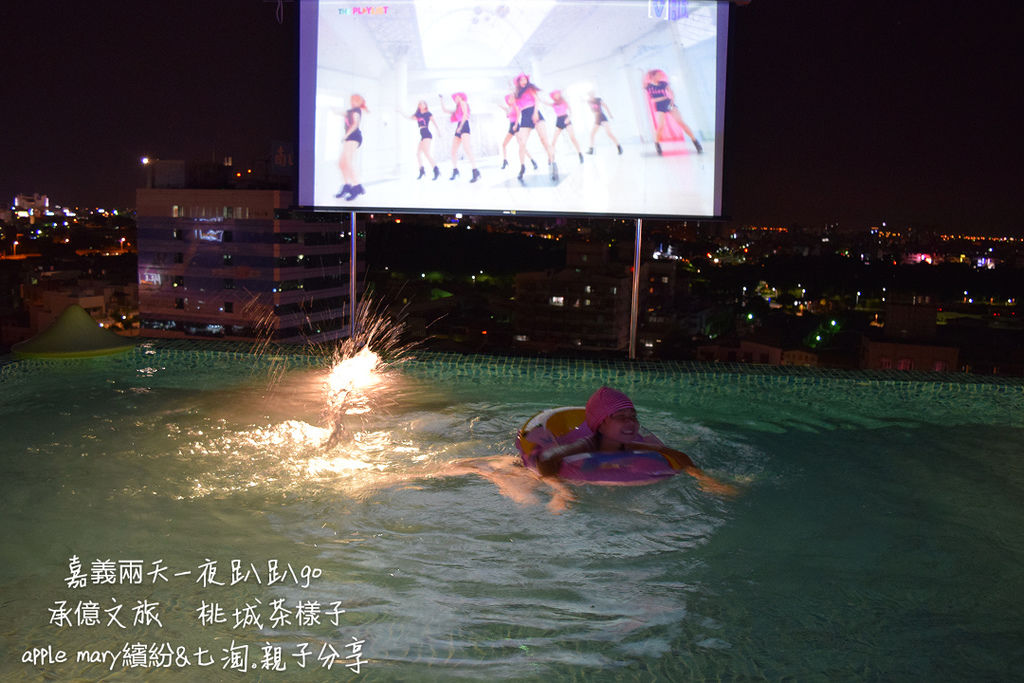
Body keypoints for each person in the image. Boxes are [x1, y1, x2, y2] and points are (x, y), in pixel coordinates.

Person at [533, 387, 737, 496]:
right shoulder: (587, 445)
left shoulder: (630, 445)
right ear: (601, 425)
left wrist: (703, 478)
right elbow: (546, 458)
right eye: (621, 417)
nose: (630, 422)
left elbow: (676, 456)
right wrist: (560, 489)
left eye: (633, 416)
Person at [643, 69, 703, 155]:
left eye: (661, 75)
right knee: (660, 126)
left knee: (681, 123)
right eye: (658, 75)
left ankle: (696, 142)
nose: (661, 76)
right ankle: (657, 144)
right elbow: (653, 100)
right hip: (659, 106)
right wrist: (663, 97)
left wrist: (672, 101)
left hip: (669, 104)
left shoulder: (664, 83)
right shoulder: (649, 86)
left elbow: (671, 93)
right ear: (653, 76)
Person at [512, 73, 557, 181]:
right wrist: (516, 123)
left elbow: (536, 100)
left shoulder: (530, 89)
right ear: (518, 82)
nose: (524, 82)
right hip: (525, 116)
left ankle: (552, 163)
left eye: (525, 80)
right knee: (522, 143)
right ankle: (522, 167)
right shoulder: (516, 94)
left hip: (534, 112)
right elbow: (517, 110)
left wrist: (535, 112)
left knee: (544, 140)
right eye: (521, 80)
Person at [439, 92, 481, 182]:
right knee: (453, 151)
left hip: (464, 125)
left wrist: (460, 127)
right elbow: (444, 110)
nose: (456, 99)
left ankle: (475, 171)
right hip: (460, 126)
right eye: (455, 98)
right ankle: (455, 170)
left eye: (457, 97)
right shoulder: (457, 108)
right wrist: (441, 100)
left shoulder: (463, 103)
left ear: (461, 97)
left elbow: (465, 115)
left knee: (467, 149)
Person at [335, 94, 368, 200]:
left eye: (354, 100)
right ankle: (347, 186)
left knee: (348, 162)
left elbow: (355, 125)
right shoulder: (351, 111)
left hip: (354, 137)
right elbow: (343, 113)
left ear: (358, 101)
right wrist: (332, 108)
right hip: (350, 137)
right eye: (352, 99)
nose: (352, 101)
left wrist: (346, 135)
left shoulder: (357, 111)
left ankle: (357, 186)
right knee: (341, 163)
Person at [400, 100, 441, 180]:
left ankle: (436, 170)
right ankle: (422, 171)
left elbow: (435, 123)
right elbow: (408, 117)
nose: (421, 105)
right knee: (418, 154)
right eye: (420, 104)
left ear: (425, 105)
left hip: (427, 134)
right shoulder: (418, 115)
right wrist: (401, 112)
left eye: (423, 104)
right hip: (422, 135)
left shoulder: (428, 114)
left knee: (426, 153)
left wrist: (438, 131)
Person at [498, 94, 538, 171]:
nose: (510, 100)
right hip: (511, 127)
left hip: (516, 126)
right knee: (504, 144)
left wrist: (516, 125)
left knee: (521, 146)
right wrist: (497, 104)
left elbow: (518, 114)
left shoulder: (515, 106)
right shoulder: (509, 108)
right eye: (509, 99)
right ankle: (505, 161)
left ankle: (532, 161)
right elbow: (504, 108)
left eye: (511, 98)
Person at [549, 90, 584, 163]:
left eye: (557, 94)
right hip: (559, 120)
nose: (556, 96)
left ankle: (580, 153)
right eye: (555, 95)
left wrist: (568, 118)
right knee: (554, 140)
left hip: (566, 118)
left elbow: (571, 111)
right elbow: (546, 103)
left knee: (572, 137)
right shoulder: (554, 104)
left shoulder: (564, 102)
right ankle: (551, 158)